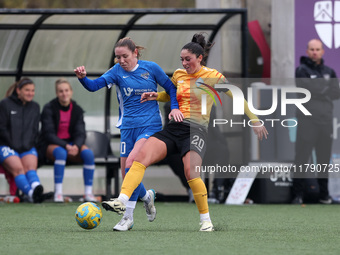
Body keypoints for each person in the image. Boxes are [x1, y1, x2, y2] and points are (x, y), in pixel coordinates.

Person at [102, 33, 268, 231]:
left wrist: (255, 120)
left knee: (190, 172)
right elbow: (172, 95)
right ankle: (121, 201)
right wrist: (156, 95)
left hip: (195, 130)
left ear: (199, 58)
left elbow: (237, 97)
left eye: (187, 59)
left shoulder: (214, 77)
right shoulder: (179, 75)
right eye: (182, 59)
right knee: (139, 159)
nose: (184, 63)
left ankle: (206, 220)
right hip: (173, 129)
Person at [74, 37, 182, 231]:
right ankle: (147, 196)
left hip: (150, 126)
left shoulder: (151, 68)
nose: (121, 60)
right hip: (127, 128)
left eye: (125, 56)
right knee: (127, 173)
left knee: (132, 163)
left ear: (135, 54)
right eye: (118, 57)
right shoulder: (116, 72)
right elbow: (94, 86)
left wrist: (174, 108)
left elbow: (171, 88)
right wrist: (83, 78)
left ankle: (127, 217)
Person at [292, 39, 340, 204]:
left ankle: (324, 195)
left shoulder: (329, 71)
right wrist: (324, 89)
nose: (314, 52)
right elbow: (308, 90)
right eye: (312, 49)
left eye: (317, 49)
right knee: (302, 157)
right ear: (307, 51)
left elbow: (336, 92)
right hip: (307, 120)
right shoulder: (301, 70)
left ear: (322, 51)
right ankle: (297, 195)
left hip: (325, 121)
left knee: (323, 159)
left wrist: (320, 89)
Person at [40, 78, 98, 203]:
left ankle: (88, 193)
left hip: (71, 145)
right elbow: (48, 134)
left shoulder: (77, 109)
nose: (64, 93)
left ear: (71, 92)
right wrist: (66, 146)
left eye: (66, 90)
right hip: (52, 145)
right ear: (57, 93)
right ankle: (58, 193)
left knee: (88, 154)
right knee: (61, 153)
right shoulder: (49, 108)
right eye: (61, 91)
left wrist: (76, 145)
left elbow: (80, 132)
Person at [0, 78, 44, 203]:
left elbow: (35, 130)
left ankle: (36, 188)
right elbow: (1, 129)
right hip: (6, 146)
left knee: (31, 168)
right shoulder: (5, 104)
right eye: (27, 90)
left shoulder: (35, 107)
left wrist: (30, 145)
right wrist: (13, 145)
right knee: (18, 169)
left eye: (32, 90)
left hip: (26, 147)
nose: (30, 93)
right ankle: (31, 195)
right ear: (18, 90)